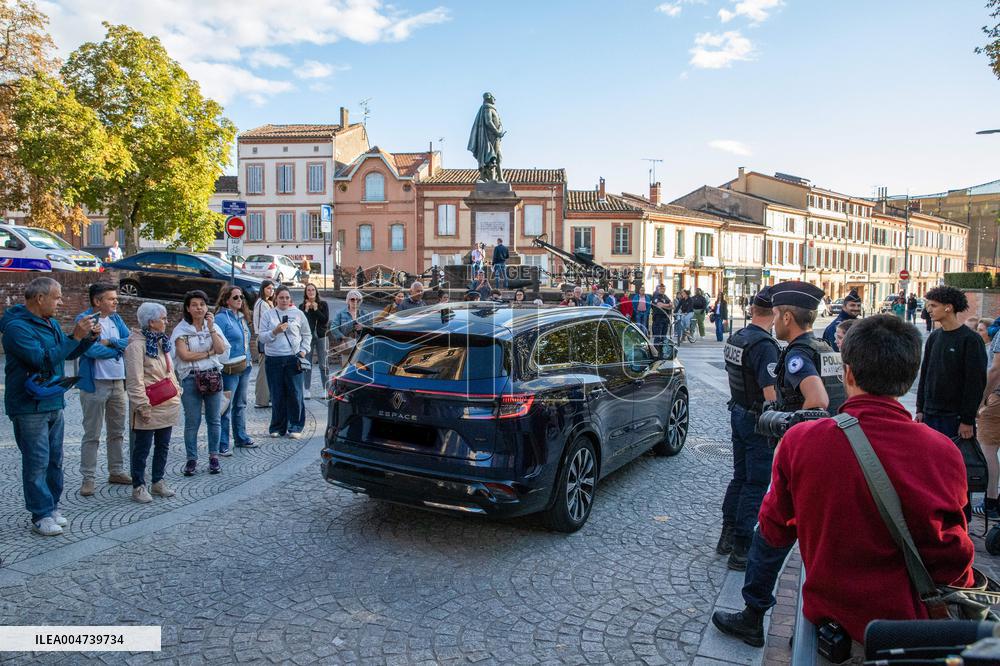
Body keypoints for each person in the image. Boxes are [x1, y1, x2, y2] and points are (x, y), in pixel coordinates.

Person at [712, 315, 975, 647]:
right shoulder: (943, 451)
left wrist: (756, 597)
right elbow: (953, 550)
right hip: (911, 626)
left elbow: (774, 528)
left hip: (834, 623)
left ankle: (752, 615)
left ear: (848, 372)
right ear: (908, 380)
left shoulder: (804, 441)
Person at [1, 277, 99, 535]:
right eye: (57, 297)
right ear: (40, 298)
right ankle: (41, 514)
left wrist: (86, 339)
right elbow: (39, 360)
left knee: (55, 460)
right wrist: (74, 336)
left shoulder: (51, 323)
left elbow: (65, 354)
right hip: (28, 404)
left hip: (53, 398)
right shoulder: (15, 328)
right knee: (37, 461)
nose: (61, 301)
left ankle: (53, 506)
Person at [718, 287, 780, 571]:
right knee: (755, 483)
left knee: (739, 477)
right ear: (775, 313)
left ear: (753, 310)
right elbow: (770, 393)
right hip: (757, 420)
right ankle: (742, 548)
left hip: (738, 411)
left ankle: (727, 536)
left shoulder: (737, 337)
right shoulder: (764, 345)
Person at [916, 286, 986, 521]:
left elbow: (975, 383)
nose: (929, 310)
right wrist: (920, 408)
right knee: (930, 469)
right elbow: (925, 374)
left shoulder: (971, 340)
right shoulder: (935, 336)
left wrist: (967, 419)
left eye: (933, 305)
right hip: (931, 414)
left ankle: (960, 518)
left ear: (949, 307)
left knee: (955, 471)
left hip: (955, 419)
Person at [74, 283, 131, 495]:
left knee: (117, 432)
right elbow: (90, 350)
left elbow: (130, 341)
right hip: (95, 384)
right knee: (92, 433)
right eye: (111, 298)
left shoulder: (116, 319)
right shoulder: (85, 319)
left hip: (118, 383)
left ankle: (116, 470)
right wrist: (116, 351)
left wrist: (111, 341)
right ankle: (88, 478)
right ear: (98, 301)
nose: (116, 301)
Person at [124, 302, 180, 503]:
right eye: (163, 318)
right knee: (142, 448)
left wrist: (176, 391)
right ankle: (138, 485)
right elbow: (134, 379)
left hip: (167, 402)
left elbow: (169, 370)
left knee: (163, 445)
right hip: (149, 404)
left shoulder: (161, 341)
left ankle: (158, 480)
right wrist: (142, 405)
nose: (167, 321)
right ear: (151, 322)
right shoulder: (136, 345)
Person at [171, 290, 230, 476]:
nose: (199, 308)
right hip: (190, 378)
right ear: (188, 308)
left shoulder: (212, 326)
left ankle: (214, 457)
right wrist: (207, 353)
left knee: (214, 420)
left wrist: (211, 328)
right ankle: (192, 459)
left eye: (202, 305)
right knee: (192, 421)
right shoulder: (181, 330)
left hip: (212, 376)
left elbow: (220, 349)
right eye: (194, 305)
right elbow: (184, 355)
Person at [769, 281, 844, 417]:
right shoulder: (823, 348)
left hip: (813, 435)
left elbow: (818, 400)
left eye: (774, 315)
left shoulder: (797, 355)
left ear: (786, 318)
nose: (773, 321)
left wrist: (795, 433)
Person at [257, 285, 310, 439]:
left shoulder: (298, 314)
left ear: (290, 299)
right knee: (277, 393)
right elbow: (261, 337)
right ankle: (278, 426)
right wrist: (275, 332)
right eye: (281, 297)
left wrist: (303, 350)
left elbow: (307, 334)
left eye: (287, 297)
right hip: (273, 358)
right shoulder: (268, 315)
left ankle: (296, 426)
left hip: (293, 357)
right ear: (276, 298)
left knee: (295, 393)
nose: (284, 300)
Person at [215, 285, 257, 454]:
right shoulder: (221, 319)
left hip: (244, 365)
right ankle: (222, 442)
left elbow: (245, 342)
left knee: (240, 404)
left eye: (241, 297)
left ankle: (240, 437)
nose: (240, 300)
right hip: (230, 368)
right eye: (236, 297)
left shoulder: (240, 317)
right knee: (225, 405)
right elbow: (218, 343)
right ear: (226, 300)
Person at [976, 325, 1000, 520]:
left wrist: (982, 398)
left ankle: (991, 502)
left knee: (988, 449)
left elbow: (996, 369)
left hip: (997, 399)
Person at [300, 283, 330, 400]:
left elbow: (325, 320)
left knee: (324, 364)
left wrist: (316, 309)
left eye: (313, 290)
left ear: (316, 292)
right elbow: (302, 322)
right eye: (308, 290)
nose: (311, 292)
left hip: (322, 336)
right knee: (307, 363)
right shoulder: (302, 306)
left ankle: (325, 389)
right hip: (307, 337)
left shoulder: (323, 304)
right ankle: (306, 389)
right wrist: (307, 310)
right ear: (306, 292)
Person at [252, 280, 275, 409]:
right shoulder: (262, 304)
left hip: (265, 337)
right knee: (263, 371)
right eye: (268, 288)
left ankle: (265, 398)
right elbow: (266, 323)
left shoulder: (265, 303)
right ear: (263, 289)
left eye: (272, 289)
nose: (271, 291)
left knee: (266, 369)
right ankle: (261, 399)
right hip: (264, 338)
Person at [331, 290, 364, 368]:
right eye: (352, 299)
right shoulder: (341, 313)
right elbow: (333, 327)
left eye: (357, 299)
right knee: (345, 368)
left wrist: (363, 327)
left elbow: (372, 328)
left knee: (360, 370)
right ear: (348, 300)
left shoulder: (364, 313)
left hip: (361, 346)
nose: (355, 301)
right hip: (347, 345)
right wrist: (342, 338)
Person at [651, 285, 672, 351]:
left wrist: (666, 306)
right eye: (661, 289)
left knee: (663, 336)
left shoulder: (665, 296)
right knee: (658, 336)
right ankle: (656, 351)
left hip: (665, 318)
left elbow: (672, 306)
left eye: (664, 289)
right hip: (658, 318)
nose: (663, 290)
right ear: (658, 289)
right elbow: (659, 305)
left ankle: (662, 350)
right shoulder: (656, 296)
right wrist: (668, 305)